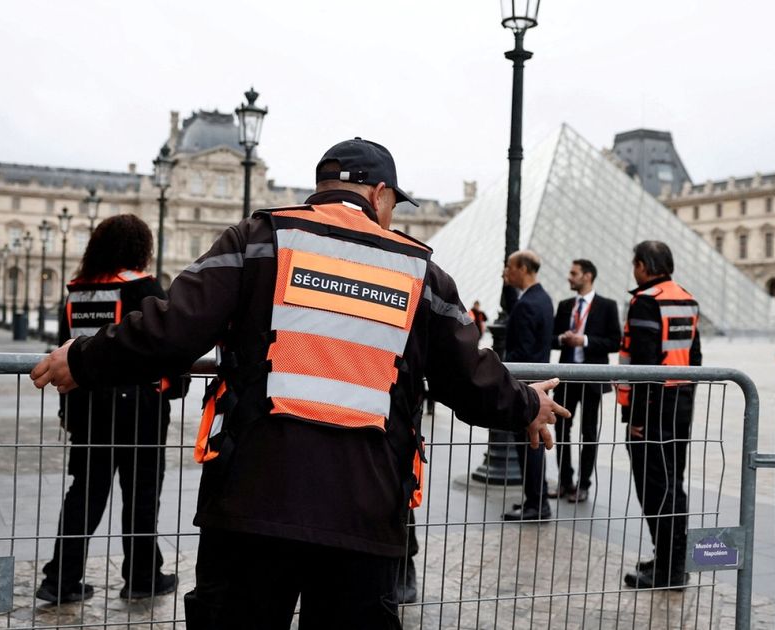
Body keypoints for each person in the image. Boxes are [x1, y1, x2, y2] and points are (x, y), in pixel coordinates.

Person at [30, 138, 568, 629]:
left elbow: (171, 327)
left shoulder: (260, 239)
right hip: (366, 509)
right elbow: (467, 375)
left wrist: (83, 359)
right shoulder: (418, 271)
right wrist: (525, 406)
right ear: (379, 195)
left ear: (321, 190)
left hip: (253, 498)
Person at [34, 215, 183, 604]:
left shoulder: (77, 291)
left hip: (87, 406)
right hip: (138, 408)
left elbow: (65, 348)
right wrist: (174, 390)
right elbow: (165, 343)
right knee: (142, 495)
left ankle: (61, 578)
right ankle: (141, 575)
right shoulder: (144, 287)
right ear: (140, 248)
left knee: (85, 493)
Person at [618, 240, 700, 591]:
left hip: (651, 411)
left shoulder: (646, 302)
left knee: (654, 488)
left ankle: (670, 569)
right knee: (672, 484)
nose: (633, 269)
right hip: (679, 403)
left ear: (644, 265)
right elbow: (694, 358)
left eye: (635, 263)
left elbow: (644, 366)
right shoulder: (685, 298)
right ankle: (670, 558)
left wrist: (635, 417)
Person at [548, 259, 620, 503]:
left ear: (587, 276)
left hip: (591, 377)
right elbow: (551, 339)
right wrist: (562, 338)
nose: (569, 277)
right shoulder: (565, 305)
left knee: (589, 432)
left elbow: (614, 342)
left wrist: (585, 340)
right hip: (566, 378)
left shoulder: (607, 306)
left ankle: (584, 484)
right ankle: (565, 481)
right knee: (561, 430)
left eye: (574, 273)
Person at [500, 250, 555, 522]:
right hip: (539, 385)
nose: (505, 272)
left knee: (529, 446)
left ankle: (536, 504)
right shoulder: (542, 299)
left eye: (509, 267)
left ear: (522, 268)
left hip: (526, 389)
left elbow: (519, 352)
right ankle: (537, 500)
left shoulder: (527, 305)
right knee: (532, 445)